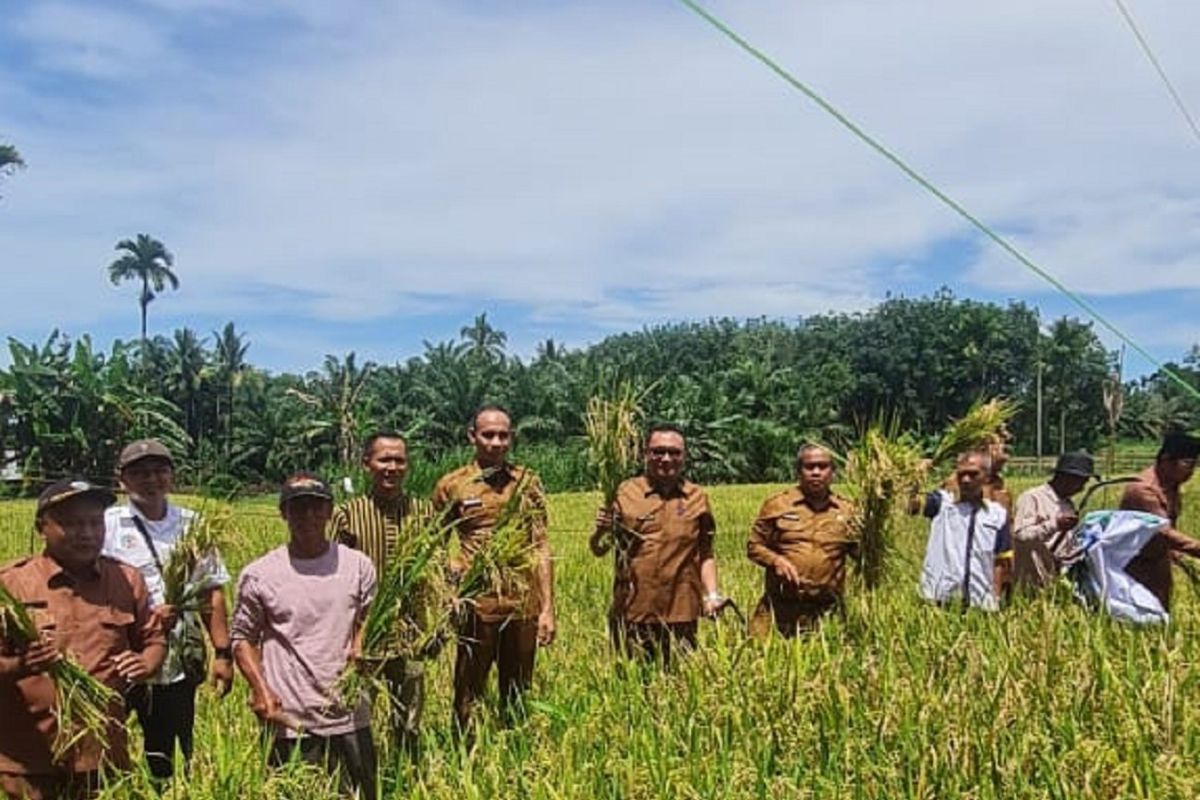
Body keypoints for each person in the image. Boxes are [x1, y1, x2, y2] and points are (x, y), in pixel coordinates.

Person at [1, 478, 166, 800]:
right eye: (71, 524)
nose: (87, 533)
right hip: (29, 759)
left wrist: (144, 664)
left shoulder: (126, 580)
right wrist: (21, 665)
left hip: (100, 752)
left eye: (94, 522)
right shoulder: (11, 584)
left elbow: (154, 640)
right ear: (41, 527)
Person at [231, 473, 377, 797]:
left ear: (329, 511)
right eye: (298, 508)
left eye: (316, 507)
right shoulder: (260, 574)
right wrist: (259, 689)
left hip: (350, 714)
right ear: (283, 513)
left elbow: (370, 621)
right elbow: (242, 638)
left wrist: (361, 643)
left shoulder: (358, 566)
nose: (308, 516)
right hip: (292, 719)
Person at [102, 439, 233, 781]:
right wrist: (142, 618)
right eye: (140, 472)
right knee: (104, 742)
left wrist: (222, 653)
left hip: (176, 659)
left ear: (171, 476)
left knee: (169, 751)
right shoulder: (107, 525)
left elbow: (211, 592)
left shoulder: (193, 524)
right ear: (122, 480)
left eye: (159, 471)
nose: (151, 479)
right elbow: (87, 589)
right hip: (120, 658)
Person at [432, 405, 555, 732]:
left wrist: (547, 609)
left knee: (517, 689)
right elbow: (433, 546)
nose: (497, 442)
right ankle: (464, 753)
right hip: (477, 605)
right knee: (468, 689)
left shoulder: (528, 482)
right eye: (489, 435)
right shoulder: (454, 485)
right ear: (473, 436)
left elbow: (541, 545)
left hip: (521, 604)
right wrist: (452, 575)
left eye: (504, 435)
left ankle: (514, 749)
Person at [330, 432, 436, 757]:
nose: (392, 467)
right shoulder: (347, 514)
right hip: (363, 636)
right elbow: (333, 577)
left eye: (399, 460)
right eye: (384, 460)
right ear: (367, 464)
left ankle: (406, 775)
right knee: (358, 717)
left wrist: (435, 626)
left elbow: (436, 572)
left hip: (410, 633)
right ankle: (360, 779)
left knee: (409, 719)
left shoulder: (425, 513)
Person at [589, 423, 725, 665]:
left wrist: (712, 595)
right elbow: (599, 549)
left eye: (674, 452)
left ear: (684, 457)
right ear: (645, 455)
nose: (666, 458)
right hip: (633, 610)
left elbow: (705, 553)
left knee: (680, 685)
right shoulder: (624, 492)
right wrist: (601, 530)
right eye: (658, 451)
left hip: (682, 611)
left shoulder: (697, 497)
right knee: (632, 686)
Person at [746, 444, 856, 637]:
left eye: (823, 467)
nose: (816, 472)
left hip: (826, 611)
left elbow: (861, 554)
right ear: (799, 471)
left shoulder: (848, 511)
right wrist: (776, 561)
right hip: (780, 607)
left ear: (832, 472)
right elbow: (754, 546)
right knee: (764, 660)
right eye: (809, 467)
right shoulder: (777, 505)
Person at [918, 451, 1013, 611]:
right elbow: (913, 506)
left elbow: (1000, 561)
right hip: (940, 601)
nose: (966, 480)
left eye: (973, 474)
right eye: (961, 474)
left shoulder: (997, 514)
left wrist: (994, 598)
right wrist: (918, 476)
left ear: (987, 477)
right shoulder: (942, 504)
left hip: (980, 603)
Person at [1118, 432, 1200, 613]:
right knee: (1139, 616)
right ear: (1166, 459)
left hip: (1159, 560)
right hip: (1135, 565)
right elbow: (1162, 532)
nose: (1191, 472)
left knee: (1161, 614)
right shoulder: (1143, 490)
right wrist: (1195, 548)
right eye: (1187, 464)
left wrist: (1182, 560)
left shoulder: (1171, 485)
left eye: (1195, 465)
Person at [1012, 451, 1094, 591]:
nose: (1082, 489)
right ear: (1066, 478)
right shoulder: (1032, 498)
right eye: (1081, 483)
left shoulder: (1067, 504)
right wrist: (1054, 525)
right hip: (1033, 582)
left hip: (1056, 580)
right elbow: (1020, 534)